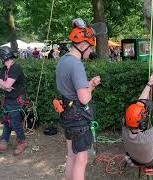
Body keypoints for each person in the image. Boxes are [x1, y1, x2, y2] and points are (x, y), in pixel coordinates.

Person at [55, 18, 101, 180]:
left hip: (67, 114)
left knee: (71, 156)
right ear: (82, 45)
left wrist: (88, 84)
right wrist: (92, 87)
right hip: (78, 118)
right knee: (81, 159)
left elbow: (71, 89)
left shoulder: (63, 60)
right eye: (90, 47)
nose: (90, 51)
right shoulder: (76, 64)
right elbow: (84, 98)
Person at [0, 46, 27, 155]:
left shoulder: (16, 68)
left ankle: (22, 142)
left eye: (0, 57)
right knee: (6, 121)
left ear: (3, 57)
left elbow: (6, 84)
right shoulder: (4, 69)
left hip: (16, 100)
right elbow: (0, 84)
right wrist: (5, 86)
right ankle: (3, 143)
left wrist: (4, 85)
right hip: (7, 99)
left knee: (15, 122)